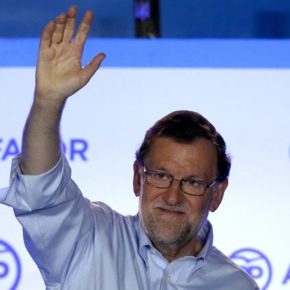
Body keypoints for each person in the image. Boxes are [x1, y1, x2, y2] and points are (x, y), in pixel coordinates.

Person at [0, 6, 259, 290]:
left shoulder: (237, 286)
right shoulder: (89, 240)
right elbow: (41, 191)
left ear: (217, 193)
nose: (173, 197)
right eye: (161, 175)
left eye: (193, 183)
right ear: (138, 178)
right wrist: (48, 102)